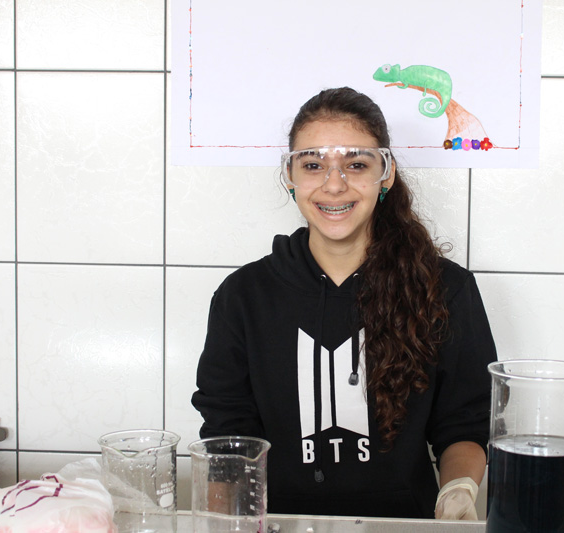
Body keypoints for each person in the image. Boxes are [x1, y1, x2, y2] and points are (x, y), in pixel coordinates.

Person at [192, 87, 497, 520]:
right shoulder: (243, 296)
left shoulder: (445, 289)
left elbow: (465, 424)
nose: (334, 184)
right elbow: (228, 438)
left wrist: (459, 489)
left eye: (356, 164)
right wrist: (225, 524)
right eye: (313, 165)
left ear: (385, 174)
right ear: (290, 176)